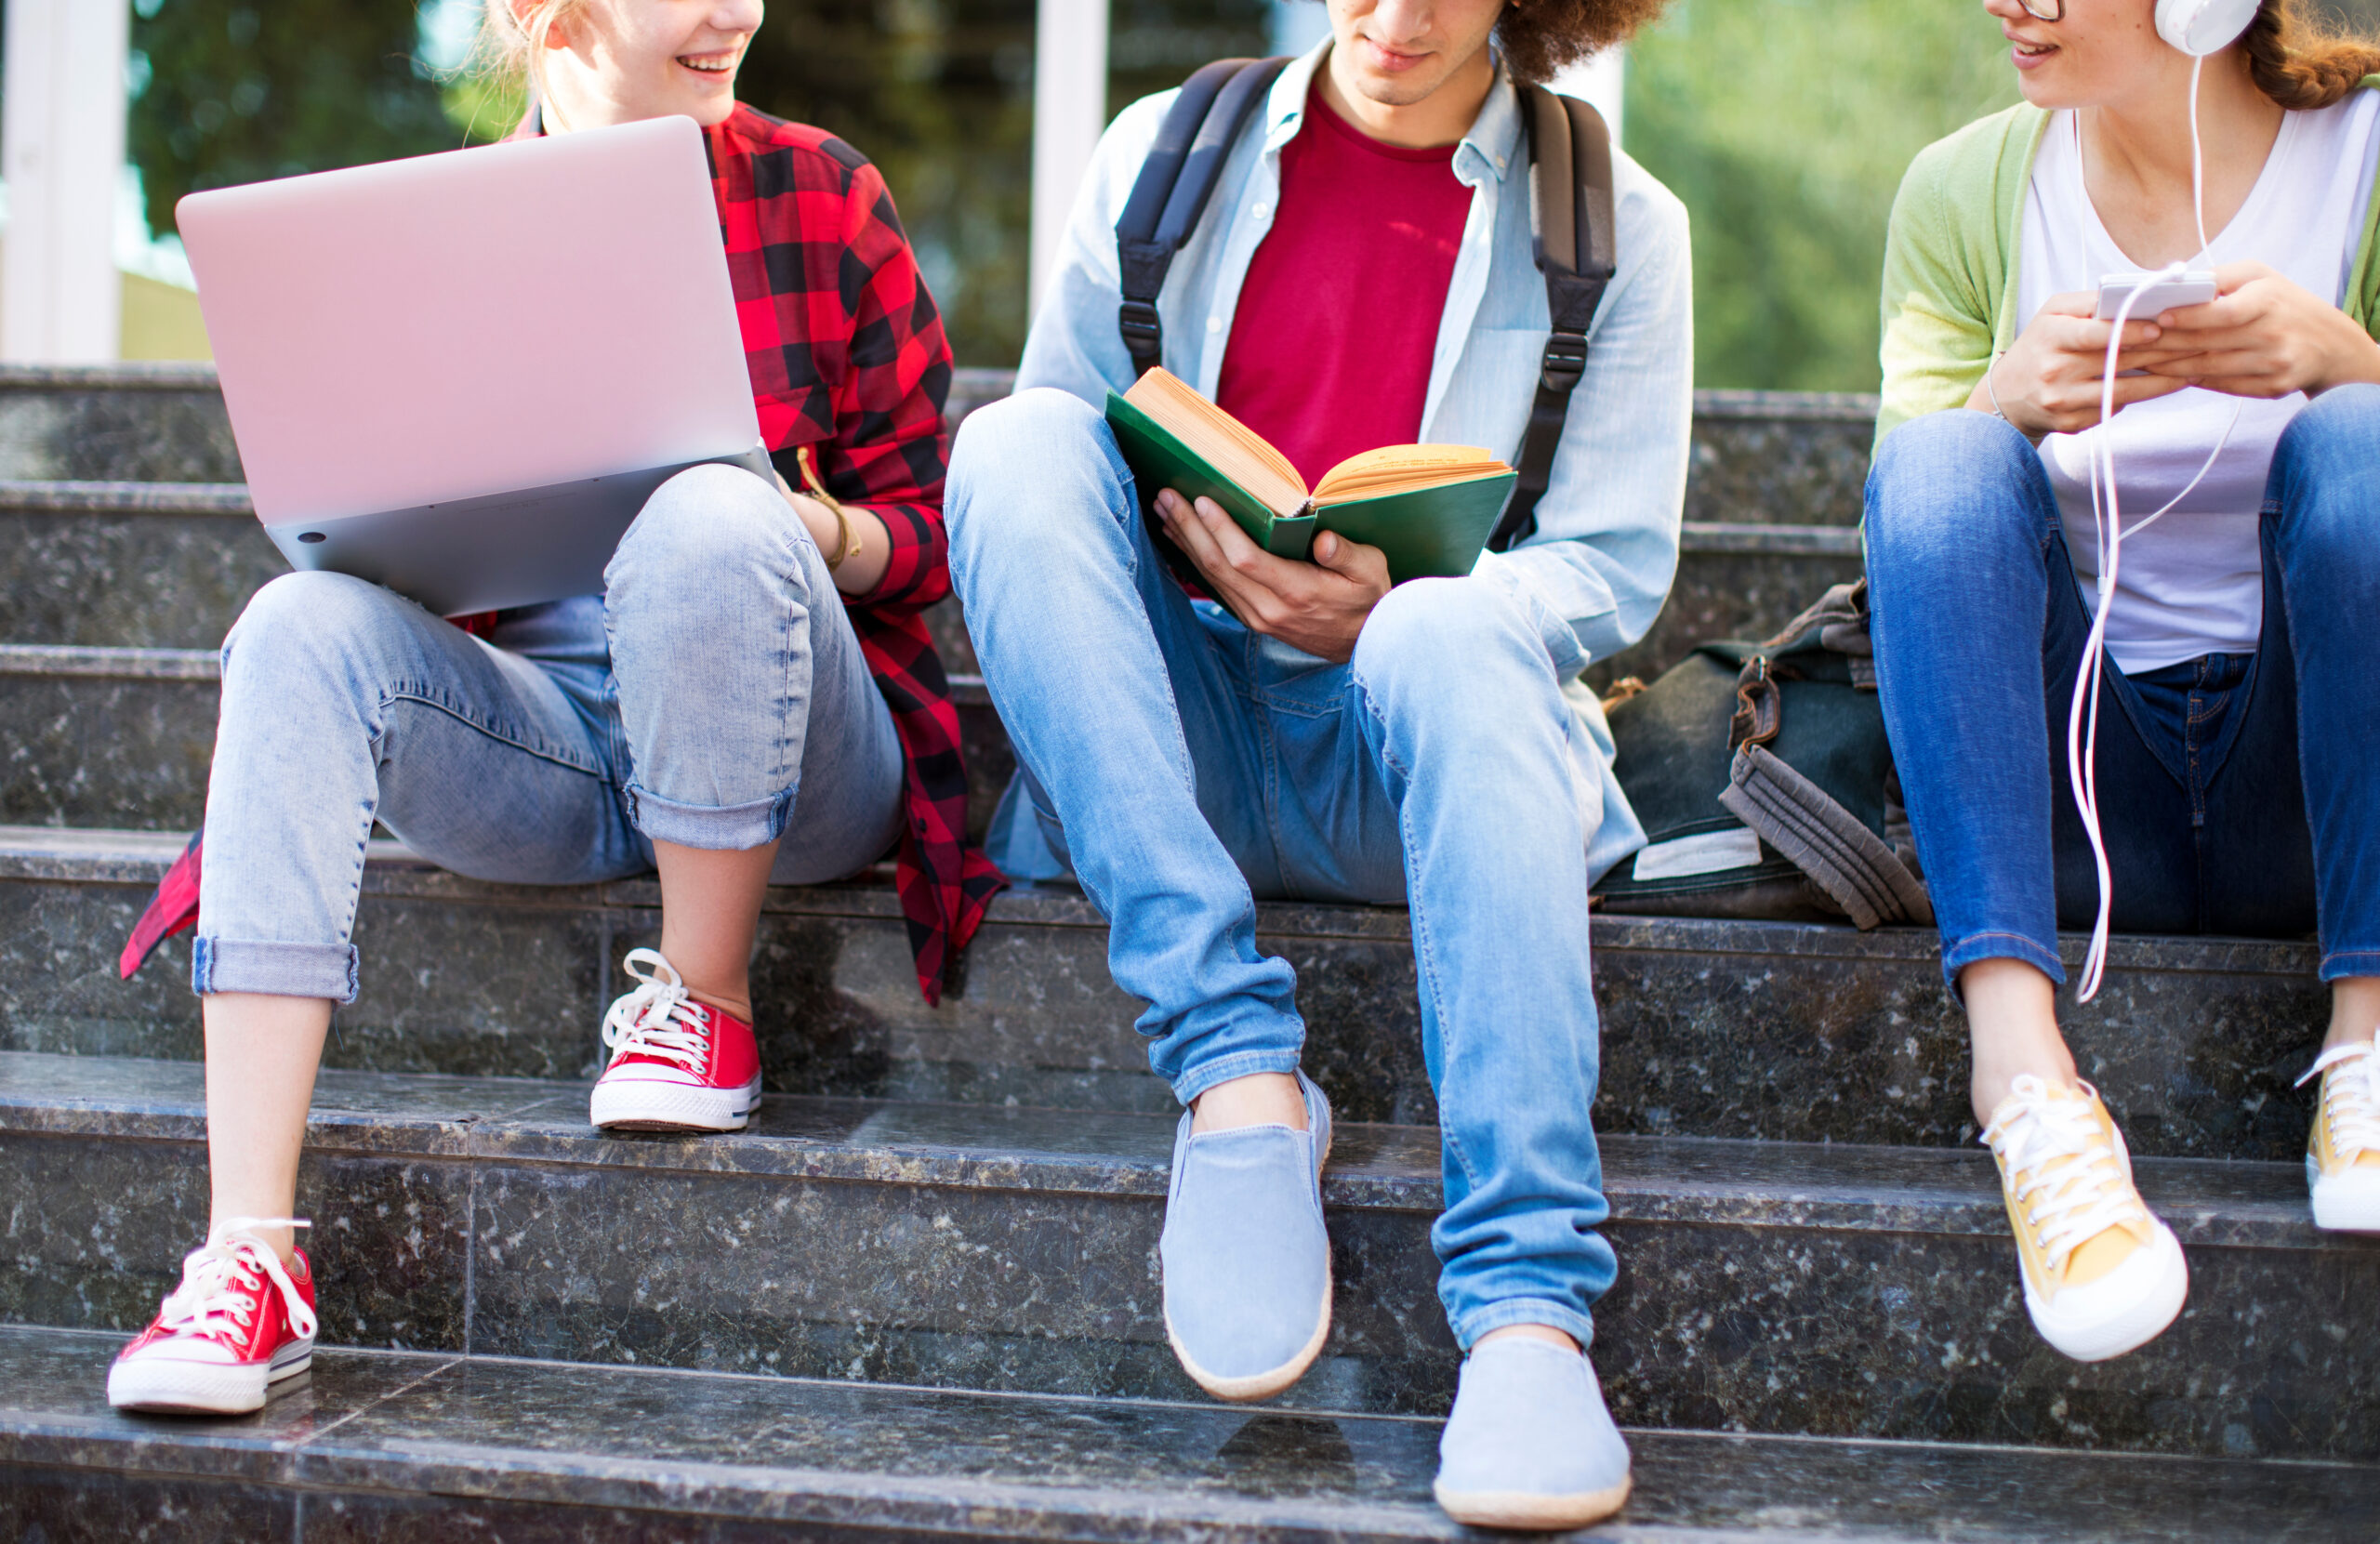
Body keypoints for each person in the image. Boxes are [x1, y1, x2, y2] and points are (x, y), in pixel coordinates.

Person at [105, 0, 998, 1416]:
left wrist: (805, 531)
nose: (738, 13)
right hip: (552, 748)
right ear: (546, 10)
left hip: (801, 751)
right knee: (293, 626)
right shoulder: (431, 241)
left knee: (706, 519)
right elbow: (363, 561)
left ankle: (702, 1002)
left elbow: (939, 531)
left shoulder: (824, 194)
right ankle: (248, 1256)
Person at [945, 0, 1686, 1526]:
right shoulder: (1161, 156)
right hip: (1181, 749)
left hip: (1409, 759)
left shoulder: (1619, 227)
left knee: (1454, 633)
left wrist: (1400, 611)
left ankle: (1529, 1314)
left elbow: (1608, 564)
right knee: (1011, 444)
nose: (1397, 18)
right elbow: (1060, 499)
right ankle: (1235, 1074)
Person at [1864, 0, 2380, 1366]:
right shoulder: (1961, 193)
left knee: (2368, 445)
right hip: (2083, 801)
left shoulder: (2369, 160)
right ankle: (2025, 1081)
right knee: (1938, 460)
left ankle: (2372, 1045)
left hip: (2317, 800)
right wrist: (2002, 400)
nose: (2009, 4)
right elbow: (1910, 556)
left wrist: (2347, 362)